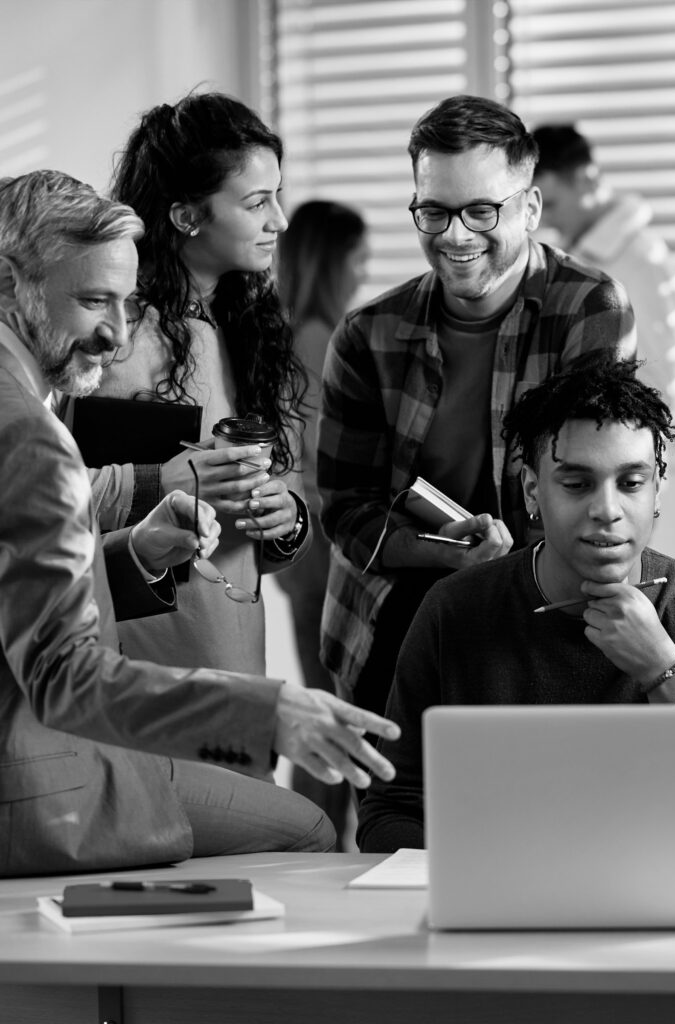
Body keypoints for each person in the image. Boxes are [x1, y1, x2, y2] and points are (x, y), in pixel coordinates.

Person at [0, 170, 399, 876]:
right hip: (38, 778)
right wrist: (267, 713)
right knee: (309, 827)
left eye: (124, 302)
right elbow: (65, 677)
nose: (114, 334)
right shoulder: (30, 433)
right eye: (92, 300)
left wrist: (136, 554)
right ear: (10, 284)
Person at [357, 353, 675, 855]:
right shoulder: (454, 610)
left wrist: (667, 674)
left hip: (661, 892)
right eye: (577, 484)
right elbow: (393, 808)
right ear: (532, 490)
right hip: (495, 891)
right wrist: (459, 878)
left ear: (658, 490)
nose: (606, 510)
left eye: (631, 483)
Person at [318, 94, 637, 718]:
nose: (456, 235)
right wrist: (442, 553)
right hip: (392, 624)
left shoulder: (590, 308)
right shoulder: (366, 336)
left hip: (539, 616)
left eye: (481, 210)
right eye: (434, 212)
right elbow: (345, 511)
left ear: (531, 207)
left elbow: (588, 487)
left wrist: (499, 562)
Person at [68, 91, 309, 676]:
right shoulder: (106, 335)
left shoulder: (253, 331)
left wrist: (287, 519)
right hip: (132, 666)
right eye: (257, 202)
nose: (279, 220)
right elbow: (40, 498)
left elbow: (267, 532)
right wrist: (159, 483)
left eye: (277, 196)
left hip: (235, 655)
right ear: (186, 216)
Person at [276, 199, 369, 844]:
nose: (365, 269)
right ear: (332, 261)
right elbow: (317, 456)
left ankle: (317, 838)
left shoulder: (296, 335)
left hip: (306, 546)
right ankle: (310, 838)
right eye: (358, 257)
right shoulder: (319, 340)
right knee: (331, 712)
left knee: (328, 705)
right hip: (321, 545)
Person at [532, 124, 675, 414]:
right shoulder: (569, 254)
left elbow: (657, 388)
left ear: (586, 179)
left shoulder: (642, 262)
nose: (543, 220)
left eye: (550, 205)